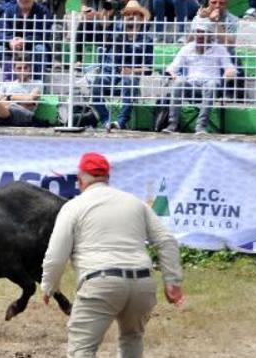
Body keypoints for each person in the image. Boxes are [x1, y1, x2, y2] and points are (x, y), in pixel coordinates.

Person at [41, 151, 184, 358]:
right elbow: (167, 241)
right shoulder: (135, 202)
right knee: (132, 338)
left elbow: (56, 255)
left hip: (100, 281)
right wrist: (173, 282)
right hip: (142, 283)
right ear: (107, 177)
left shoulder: (73, 207)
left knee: (82, 349)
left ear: (80, 178)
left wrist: (49, 286)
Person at [162, 18, 236, 134]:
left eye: (203, 32)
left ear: (210, 35)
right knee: (179, 83)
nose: (200, 35)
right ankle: (172, 124)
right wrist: (173, 75)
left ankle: (201, 126)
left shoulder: (219, 49)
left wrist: (229, 72)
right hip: (192, 86)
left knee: (211, 85)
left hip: (211, 86)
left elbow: (229, 67)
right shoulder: (187, 48)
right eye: (198, 32)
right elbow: (172, 67)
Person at [92, 0, 153, 131]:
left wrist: (132, 70)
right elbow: (104, 25)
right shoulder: (117, 30)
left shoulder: (147, 38)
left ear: (141, 17)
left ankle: (120, 122)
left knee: (129, 81)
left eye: (134, 13)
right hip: (111, 69)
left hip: (131, 73)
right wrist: (105, 14)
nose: (130, 16)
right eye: (127, 14)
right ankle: (105, 121)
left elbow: (149, 69)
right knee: (97, 84)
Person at [75, 0, 114, 66]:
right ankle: (78, 60)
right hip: (91, 24)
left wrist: (95, 14)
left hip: (107, 24)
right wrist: (85, 12)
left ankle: (103, 62)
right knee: (82, 26)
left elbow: (109, 14)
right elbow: (83, 7)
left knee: (104, 26)